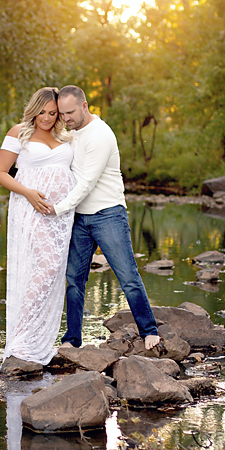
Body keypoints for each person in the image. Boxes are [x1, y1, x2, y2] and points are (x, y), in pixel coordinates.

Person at [46, 85, 160, 350]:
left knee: (128, 277)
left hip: (108, 215)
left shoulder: (100, 135)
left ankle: (149, 330)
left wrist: (57, 208)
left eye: (70, 112)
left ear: (85, 106)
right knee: (74, 280)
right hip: (80, 219)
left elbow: (86, 183)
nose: (66, 118)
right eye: (62, 113)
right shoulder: (73, 133)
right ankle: (72, 339)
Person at [0, 86, 75, 365]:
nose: (47, 118)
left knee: (53, 269)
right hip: (30, 209)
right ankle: (20, 336)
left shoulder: (65, 136)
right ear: (33, 109)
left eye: (52, 113)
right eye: (42, 112)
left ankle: (37, 336)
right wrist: (27, 192)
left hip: (60, 216)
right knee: (47, 265)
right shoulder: (19, 132)